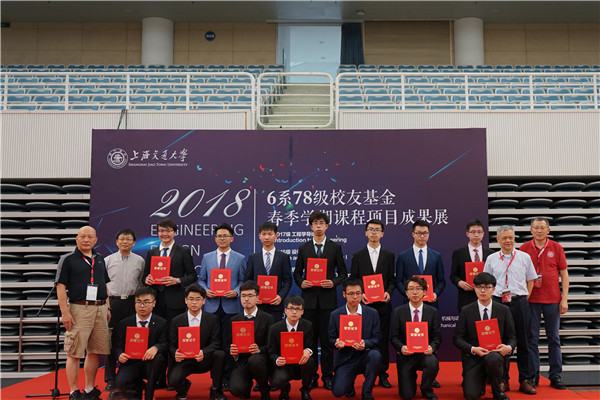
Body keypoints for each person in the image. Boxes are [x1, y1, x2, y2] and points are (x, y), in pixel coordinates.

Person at [293, 210, 348, 391]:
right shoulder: (304, 248)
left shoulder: (335, 247)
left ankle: (327, 376)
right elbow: (297, 274)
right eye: (315, 223)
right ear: (311, 227)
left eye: (321, 223)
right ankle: (311, 377)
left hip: (327, 302)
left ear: (326, 226)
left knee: (326, 341)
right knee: (309, 342)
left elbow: (342, 273)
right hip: (308, 302)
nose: (318, 226)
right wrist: (302, 282)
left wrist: (333, 282)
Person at [56, 226, 111, 400]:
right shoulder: (68, 259)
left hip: (100, 309)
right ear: (77, 238)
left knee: (94, 351)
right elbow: (61, 287)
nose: (86, 240)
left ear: (95, 240)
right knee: (74, 352)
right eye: (83, 236)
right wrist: (65, 312)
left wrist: (108, 307)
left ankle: (89, 389)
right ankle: (74, 391)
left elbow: (104, 284)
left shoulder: (100, 259)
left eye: (90, 237)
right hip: (79, 309)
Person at [483, 225, 537, 395]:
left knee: (524, 341)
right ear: (498, 240)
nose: (508, 241)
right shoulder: (491, 258)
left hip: (520, 302)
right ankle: (503, 379)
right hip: (498, 303)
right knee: (500, 342)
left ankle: (525, 379)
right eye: (504, 238)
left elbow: (531, 280)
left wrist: (523, 298)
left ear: (514, 239)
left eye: (511, 237)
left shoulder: (524, 257)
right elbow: (486, 282)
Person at [519, 217, 569, 390]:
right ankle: (533, 376)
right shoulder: (524, 248)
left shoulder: (556, 247)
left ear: (548, 230)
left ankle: (556, 376)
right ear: (531, 230)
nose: (539, 231)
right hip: (531, 300)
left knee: (553, 338)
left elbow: (564, 274)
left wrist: (564, 298)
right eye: (536, 228)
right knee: (532, 338)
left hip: (553, 300)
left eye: (542, 228)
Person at [198, 222, 247, 390]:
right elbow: (201, 279)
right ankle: (215, 376)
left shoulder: (240, 258)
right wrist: (206, 291)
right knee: (213, 342)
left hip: (230, 306)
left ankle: (226, 376)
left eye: (225, 236)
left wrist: (236, 291)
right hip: (211, 306)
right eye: (219, 236)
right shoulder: (207, 257)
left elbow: (243, 281)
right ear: (215, 238)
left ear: (232, 238)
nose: (222, 238)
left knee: (228, 342)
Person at [453, 272, 517, 400]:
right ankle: (479, 383)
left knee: (493, 359)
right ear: (474, 288)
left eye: (487, 287)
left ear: (493, 289)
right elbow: (457, 338)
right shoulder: (466, 310)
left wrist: (508, 348)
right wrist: (473, 349)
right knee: (471, 395)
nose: (483, 290)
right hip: (474, 358)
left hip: (495, 355)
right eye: (479, 287)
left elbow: (512, 336)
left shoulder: (503, 310)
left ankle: (497, 390)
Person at [350, 219, 395, 389]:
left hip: (383, 305)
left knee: (382, 340)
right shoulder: (358, 255)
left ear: (382, 233)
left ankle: (382, 374)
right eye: (371, 229)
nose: (374, 232)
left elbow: (392, 279)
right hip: (364, 306)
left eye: (377, 230)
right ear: (365, 233)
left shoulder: (389, 255)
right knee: (360, 340)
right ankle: (360, 374)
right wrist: (360, 294)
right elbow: (354, 279)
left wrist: (388, 292)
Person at [167, 284, 226, 400]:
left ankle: (216, 390)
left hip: (204, 359)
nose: (194, 302)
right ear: (185, 300)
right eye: (191, 299)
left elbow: (216, 343)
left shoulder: (212, 319)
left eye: (198, 299)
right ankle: (183, 388)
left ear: (204, 301)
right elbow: (171, 345)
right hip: (185, 361)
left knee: (220, 354)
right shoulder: (176, 321)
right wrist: (175, 353)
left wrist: (204, 352)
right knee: (173, 381)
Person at [104, 228, 145, 391]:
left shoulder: (140, 261)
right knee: (110, 341)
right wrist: (107, 306)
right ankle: (110, 378)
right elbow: (103, 285)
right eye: (122, 239)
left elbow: (142, 284)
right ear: (116, 242)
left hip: (132, 303)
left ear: (134, 242)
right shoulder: (107, 260)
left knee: (132, 340)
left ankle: (128, 376)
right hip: (112, 303)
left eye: (128, 239)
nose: (125, 242)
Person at [328, 277, 382, 400]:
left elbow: (377, 337)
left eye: (358, 293)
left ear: (362, 293)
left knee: (375, 355)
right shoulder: (335, 315)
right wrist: (336, 342)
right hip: (346, 358)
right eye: (351, 293)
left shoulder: (372, 313)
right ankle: (349, 385)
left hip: (365, 355)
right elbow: (330, 339)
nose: (355, 297)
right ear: (344, 294)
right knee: (338, 392)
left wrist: (365, 343)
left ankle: (367, 392)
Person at [390, 276, 441, 400]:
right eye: (411, 289)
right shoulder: (398, 312)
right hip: (406, 356)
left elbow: (437, 337)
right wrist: (401, 348)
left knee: (432, 363)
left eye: (418, 289)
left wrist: (432, 347)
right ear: (406, 292)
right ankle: (411, 378)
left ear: (424, 292)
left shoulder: (432, 312)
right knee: (407, 395)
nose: (414, 292)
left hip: (425, 354)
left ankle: (426, 388)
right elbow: (394, 337)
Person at [113, 286, 168, 400]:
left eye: (146, 302)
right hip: (131, 362)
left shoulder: (161, 323)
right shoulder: (125, 323)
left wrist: (156, 347)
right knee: (120, 382)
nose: (142, 306)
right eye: (138, 302)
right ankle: (138, 386)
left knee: (158, 359)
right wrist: (120, 354)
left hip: (151, 363)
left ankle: (149, 394)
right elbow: (118, 346)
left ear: (154, 303)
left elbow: (165, 343)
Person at [142, 218, 197, 323]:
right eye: (161, 231)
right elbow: (144, 276)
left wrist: (177, 280)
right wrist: (146, 280)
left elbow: (192, 276)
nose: (164, 234)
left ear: (174, 232)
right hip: (154, 300)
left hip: (175, 301)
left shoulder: (183, 251)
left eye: (168, 231)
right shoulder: (152, 252)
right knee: (157, 329)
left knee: (174, 329)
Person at [229, 281, 275, 400]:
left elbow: (271, 346)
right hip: (243, 362)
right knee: (235, 389)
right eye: (243, 296)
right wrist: (234, 354)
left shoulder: (268, 318)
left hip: (261, 361)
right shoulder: (234, 320)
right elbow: (229, 345)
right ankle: (247, 385)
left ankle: (264, 390)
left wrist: (259, 350)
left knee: (255, 360)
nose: (246, 299)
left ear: (257, 297)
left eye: (250, 296)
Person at [268, 295, 316, 400]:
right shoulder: (275, 328)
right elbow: (271, 352)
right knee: (277, 380)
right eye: (291, 308)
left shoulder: (308, 325)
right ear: (285, 310)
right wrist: (277, 359)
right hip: (283, 365)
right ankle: (285, 390)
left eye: (297, 309)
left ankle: (305, 390)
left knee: (310, 361)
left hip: (300, 363)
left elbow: (310, 345)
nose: (294, 312)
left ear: (302, 312)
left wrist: (308, 351)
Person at [245, 221, 292, 322]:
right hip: (257, 305)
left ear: (276, 236)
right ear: (259, 236)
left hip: (276, 305)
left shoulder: (283, 257)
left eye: (270, 234)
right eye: (264, 234)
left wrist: (280, 296)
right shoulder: (253, 258)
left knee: (275, 330)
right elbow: (248, 281)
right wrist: (253, 297)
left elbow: (288, 281)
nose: (267, 237)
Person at [395, 220, 446, 306]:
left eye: (425, 233)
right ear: (413, 234)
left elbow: (441, 281)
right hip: (410, 303)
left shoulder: (436, 256)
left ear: (429, 234)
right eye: (419, 233)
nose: (422, 236)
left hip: (430, 304)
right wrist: (407, 294)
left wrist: (435, 294)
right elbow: (398, 281)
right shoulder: (403, 256)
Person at [450, 219, 494, 311]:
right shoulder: (458, 253)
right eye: (473, 232)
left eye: (479, 232)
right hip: (466, 296)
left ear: (483, 234)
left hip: (486, 296)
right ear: (467, 234)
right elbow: (453, 275)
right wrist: (460, 283)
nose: (476, 235)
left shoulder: (490, 254)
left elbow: (494, 275)